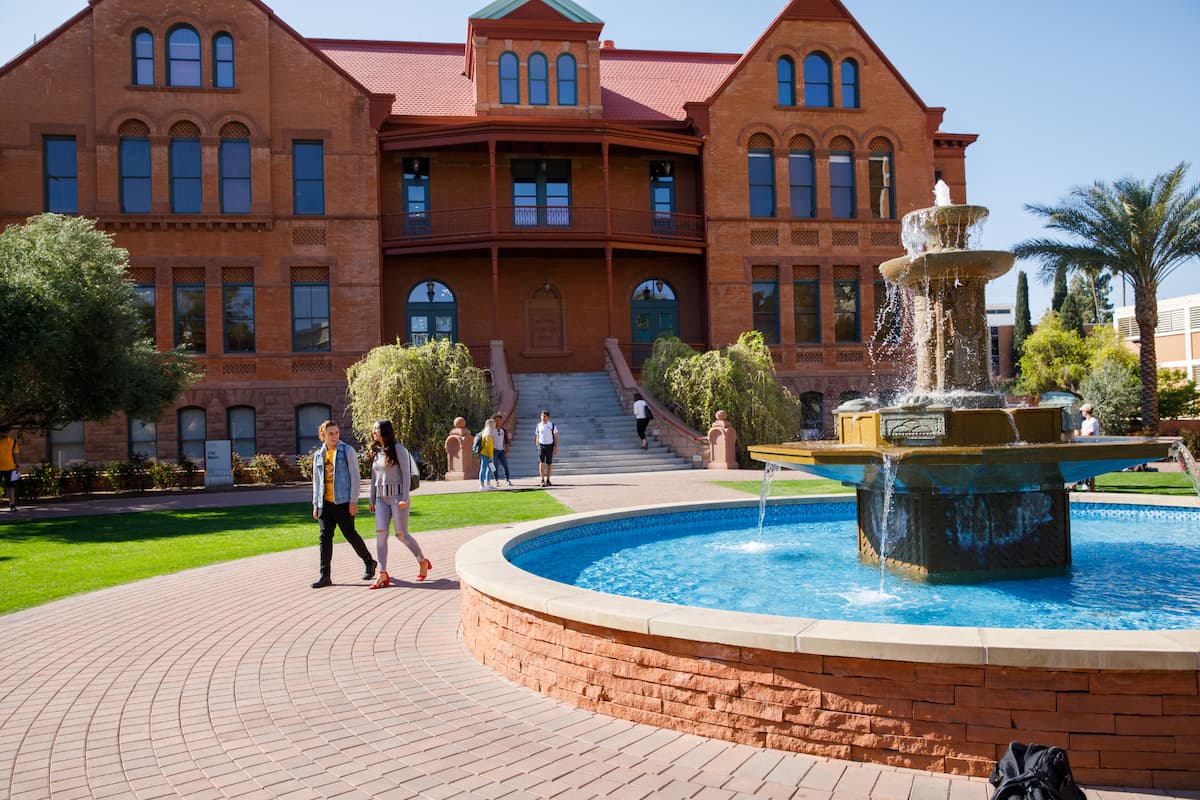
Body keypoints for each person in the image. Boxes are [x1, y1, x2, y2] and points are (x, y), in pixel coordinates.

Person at [310, 420, 376, 588]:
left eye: (336, 433)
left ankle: (369, 562)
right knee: (324, 537)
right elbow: (317, 482)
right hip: (325, 503)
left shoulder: (347, 451)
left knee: (350, 534)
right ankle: (325, 575)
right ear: (323, 435)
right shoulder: (319, 455)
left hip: (343, 502)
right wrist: (316, 504)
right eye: (330, 433)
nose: (334, 436)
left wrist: (353, 501)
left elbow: (355, 477)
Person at [366, 419, 431, 587]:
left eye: (377, 429)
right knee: (380, 534)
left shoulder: (398, 449)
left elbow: (406, 475)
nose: (374, 432)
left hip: (397, 498)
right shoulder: (375, 451)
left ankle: (422, 561)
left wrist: (405, 497)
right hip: (381, 499)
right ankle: (382, 573)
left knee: (401, 535)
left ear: (385, 431)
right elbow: (374, 477)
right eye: (373, 429)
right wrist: (371, 499)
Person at [535, 409, 558, 487]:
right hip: (541, 446)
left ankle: (548, 479)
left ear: (548, 417)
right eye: (541, 416)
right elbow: (537, 435)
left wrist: (555, 447)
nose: (543, 418)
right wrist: (537, 444)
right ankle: (542, 480)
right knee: (541, 462)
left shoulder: (552, 425)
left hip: (550, 446)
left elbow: (556, 437)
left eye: (544, 416)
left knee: (549, 463)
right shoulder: (538, 425)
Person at [0, 425, 19, 512]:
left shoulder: (12, 442)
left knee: (10, 487)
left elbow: (16, 454)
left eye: (7, 432)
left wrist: (17, 465)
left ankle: (12, 504)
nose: (5, 434)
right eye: (3, 432)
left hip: (10, 467)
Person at [475, 418, 496, 491]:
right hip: (485, 454)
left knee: (489, 468)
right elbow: (488, 447)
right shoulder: (488, 434)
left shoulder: (485, 432)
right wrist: (491, 456)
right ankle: (482, 484)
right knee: (483, 468)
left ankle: (488, 484)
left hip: (485, 453)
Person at [492, 414, 512, 487]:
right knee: (495, 466)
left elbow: (506, 441)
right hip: (494, 451)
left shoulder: (503, 430)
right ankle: (496, 480)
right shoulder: (491, 430)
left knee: (505, 466)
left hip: (501, 450)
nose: (498, 422)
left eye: (499, 420)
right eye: (496, 420)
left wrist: (506, 450)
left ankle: (507, 479)